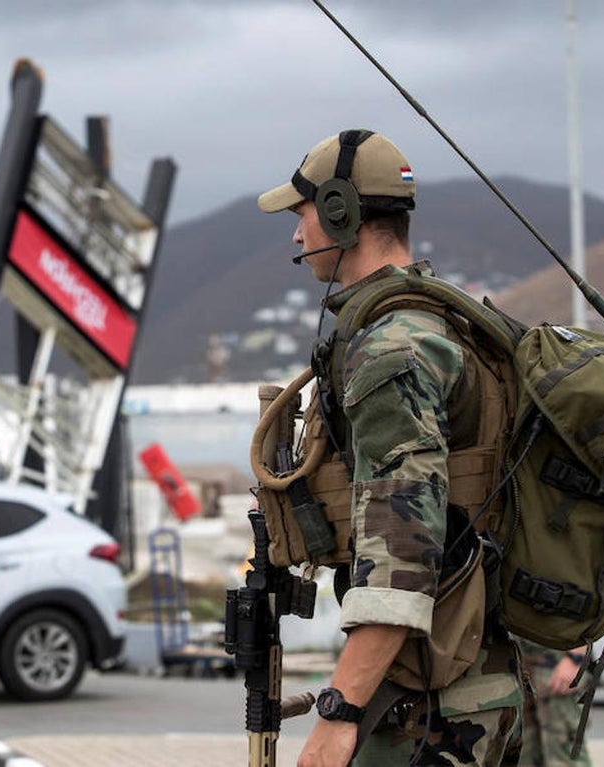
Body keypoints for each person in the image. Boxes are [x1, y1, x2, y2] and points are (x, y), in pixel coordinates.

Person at [257, 130, 522, 766]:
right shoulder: (439, 322)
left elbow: (403, 544)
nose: (297, 235)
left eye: (305, 213)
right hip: (468, 682)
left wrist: (339, 713)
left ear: (343, 212)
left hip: (429, 706)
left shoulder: (390, 352)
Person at [515, 639, 592, 767]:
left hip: (556, 666)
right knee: (525, 751)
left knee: (563, 753)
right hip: (522, 664)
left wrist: (575, 659)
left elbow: (587, 623)